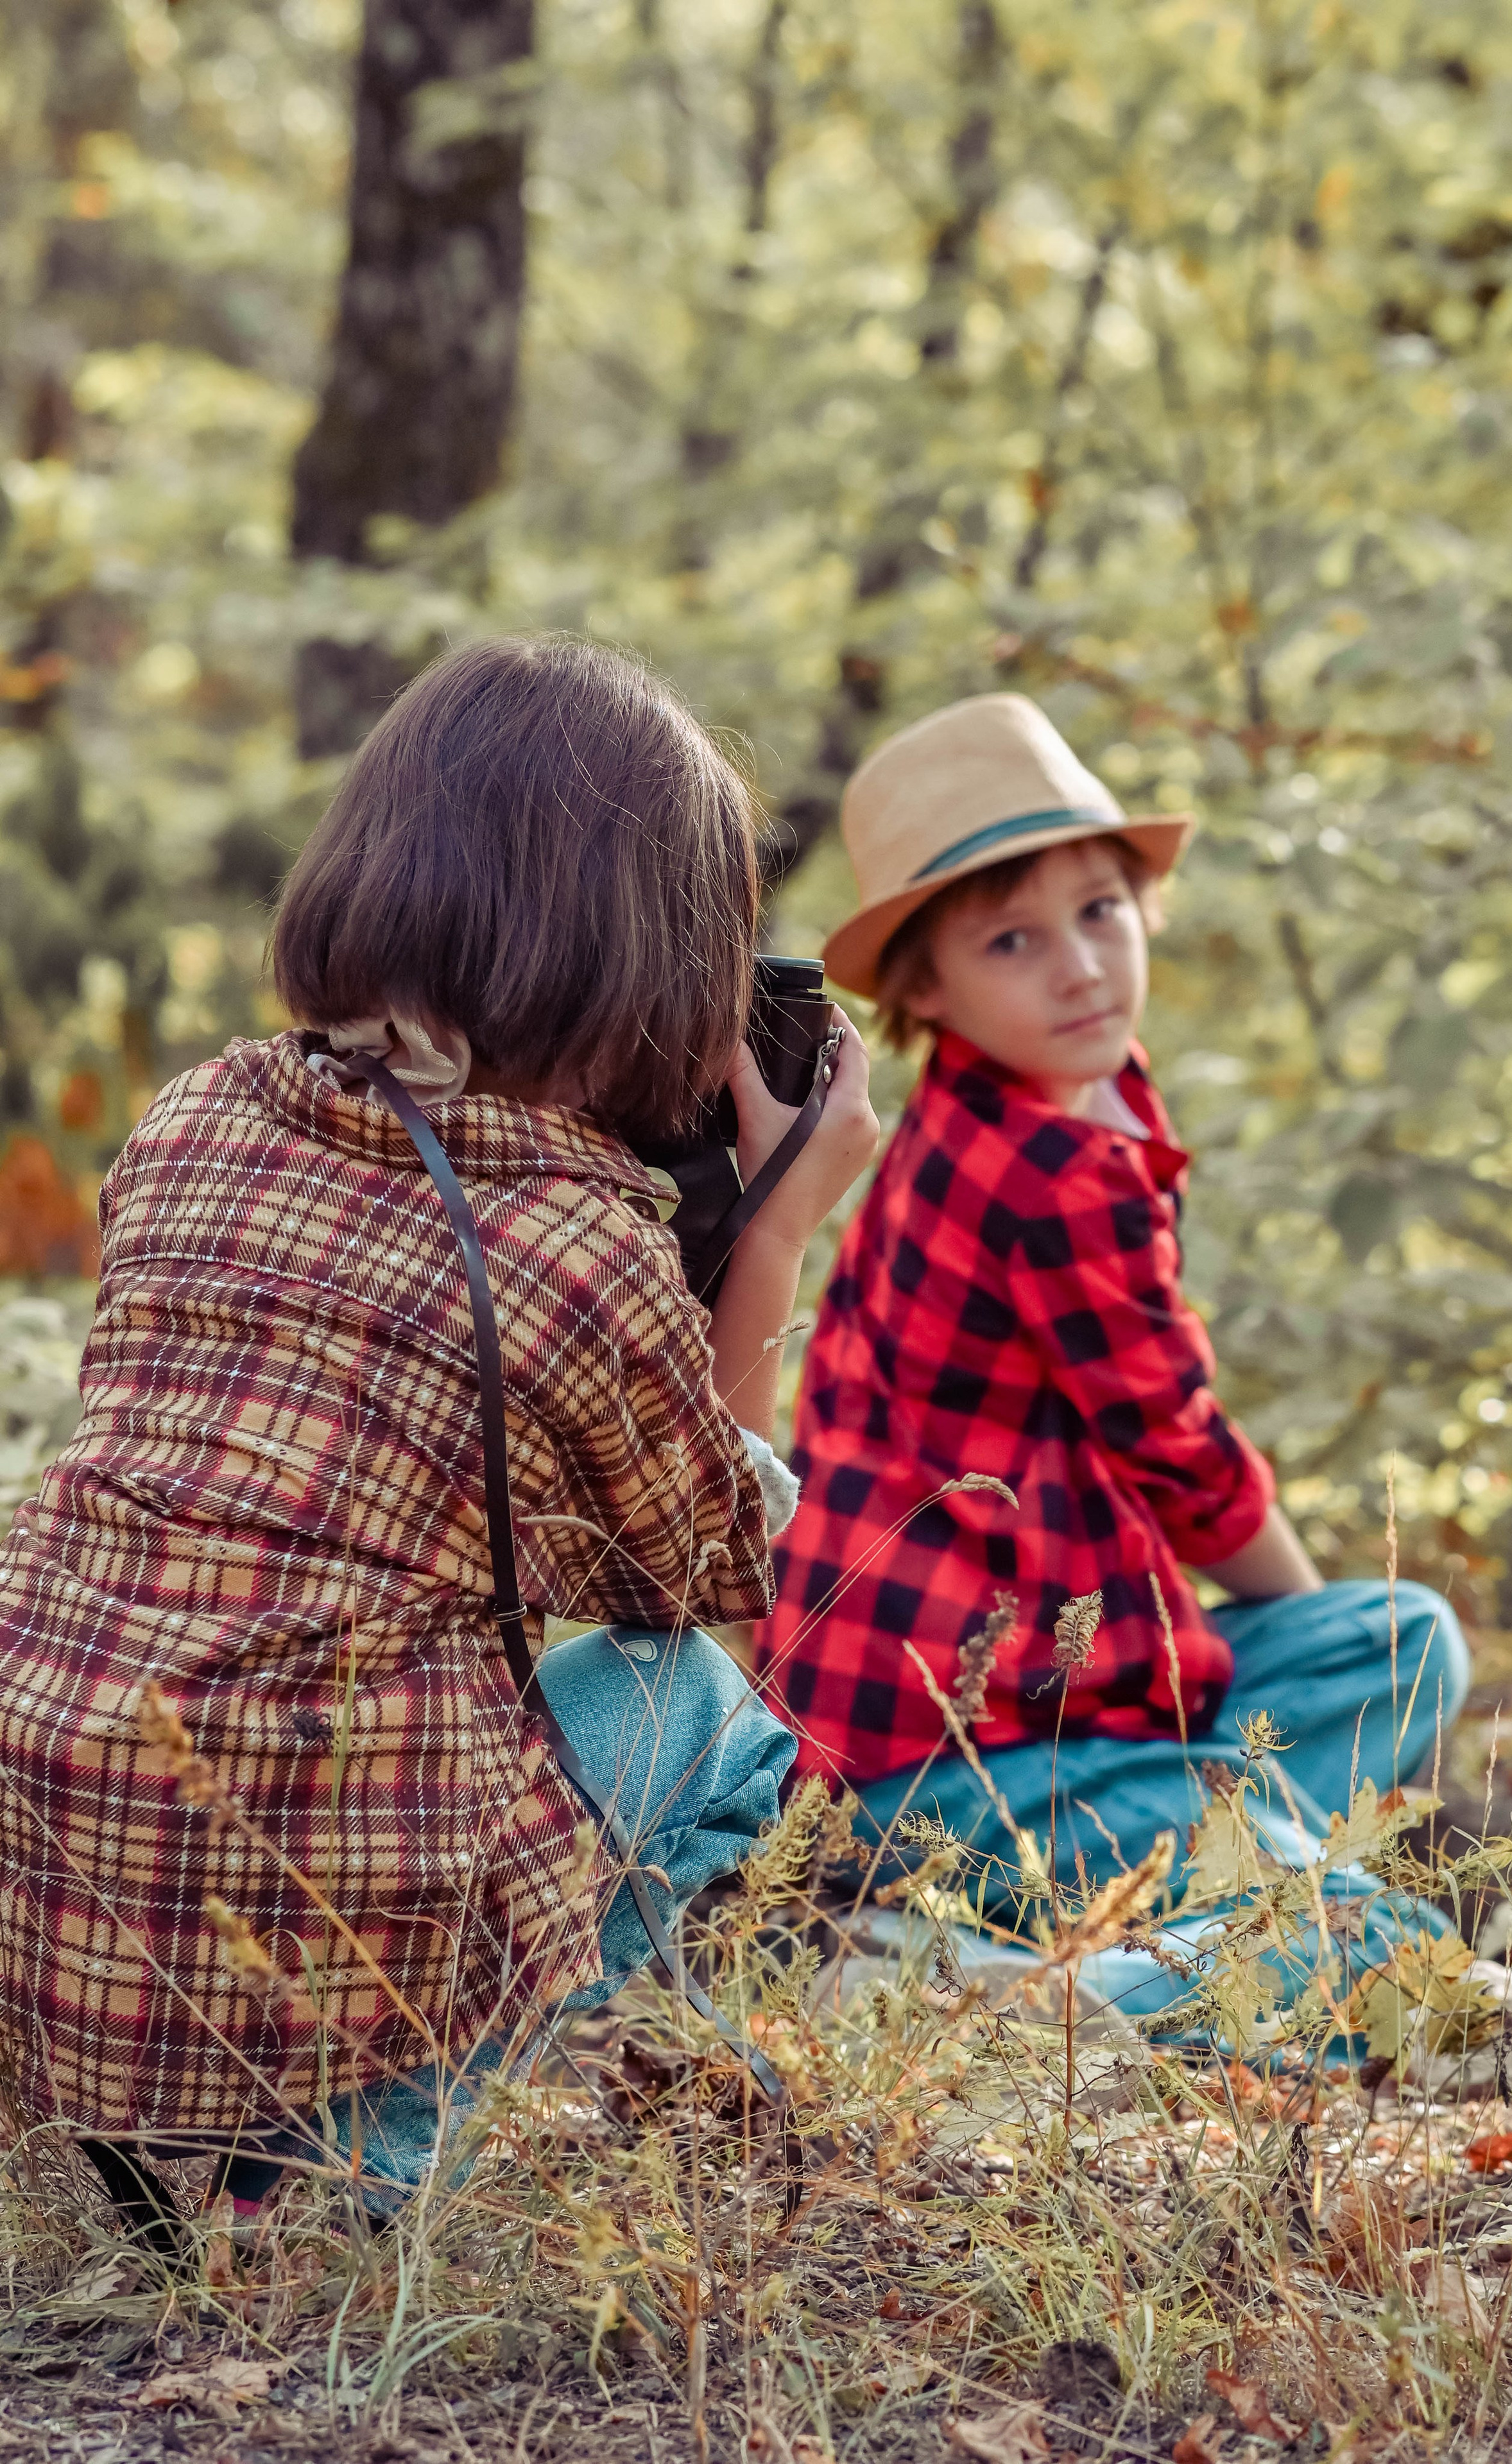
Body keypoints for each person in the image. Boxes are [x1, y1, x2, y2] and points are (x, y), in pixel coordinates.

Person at [0, 637, 876, 2216]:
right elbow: (695, 1585)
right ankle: (364, 2149)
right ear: (660, 963)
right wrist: (771, 1230)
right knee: (693, 1708)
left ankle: (193, 2120)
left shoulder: (199, 1114)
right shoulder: (571, 1239)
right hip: (297, 1887)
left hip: (56, 1866)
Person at [756, 693, 1468, 2009]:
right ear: (925, 984)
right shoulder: (1040, 1171)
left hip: (1052, 1683)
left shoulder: (1072, 1088)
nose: (1080, 966)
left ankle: (1160, 1891)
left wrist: (1282, 1653)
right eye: (1013, 939)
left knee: (1398, 1639)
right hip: (951, 1747)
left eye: (1099, 911)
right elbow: (1180, 1454)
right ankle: (1001, 1982)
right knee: (1385, 1957)